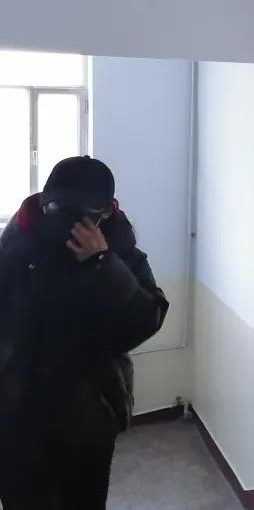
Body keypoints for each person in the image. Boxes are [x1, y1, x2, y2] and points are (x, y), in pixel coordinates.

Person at [0, 156, 169, 509]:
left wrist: (104, 265)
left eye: (83, 212)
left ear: (107, 211)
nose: (68, 220)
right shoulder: (18, 242)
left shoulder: (120, 248)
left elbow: (148, 318)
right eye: (58, 207)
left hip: (89, 413)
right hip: (18, 410)